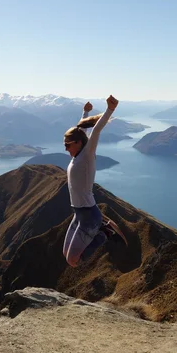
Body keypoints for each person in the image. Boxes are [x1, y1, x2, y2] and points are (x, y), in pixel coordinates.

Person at [62, 95, 124, 267]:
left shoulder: (87, 156)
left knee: (73, 260)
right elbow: (82, 130)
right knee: (66, 253)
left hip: (89, 215)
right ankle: (104, 230)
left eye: (68, 145)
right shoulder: (78, 155)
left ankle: (106, 232)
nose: (65, 148)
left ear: (78, 143)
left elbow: (95, 131)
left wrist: (110, 110)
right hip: (79, 213)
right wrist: (85, 111)